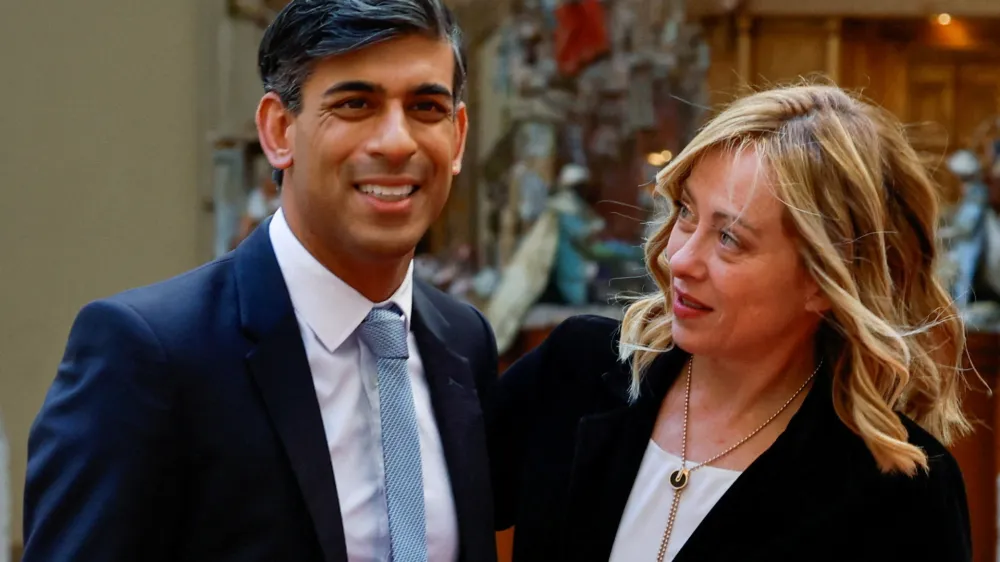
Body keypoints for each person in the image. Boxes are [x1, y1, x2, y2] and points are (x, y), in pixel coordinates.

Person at [23, 1, 499, 561]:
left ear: (459, 135)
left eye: (425, 107)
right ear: (279, 130)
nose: (396, 142)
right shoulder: (150, 355)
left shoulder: (463, 341)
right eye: (354, 104)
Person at [487, 84, 973, 562]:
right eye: (685, 213)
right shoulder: (577, 370)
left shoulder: (899, 494)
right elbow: (424, 513)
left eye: (729, 238)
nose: (679, 260)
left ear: (824, 281)